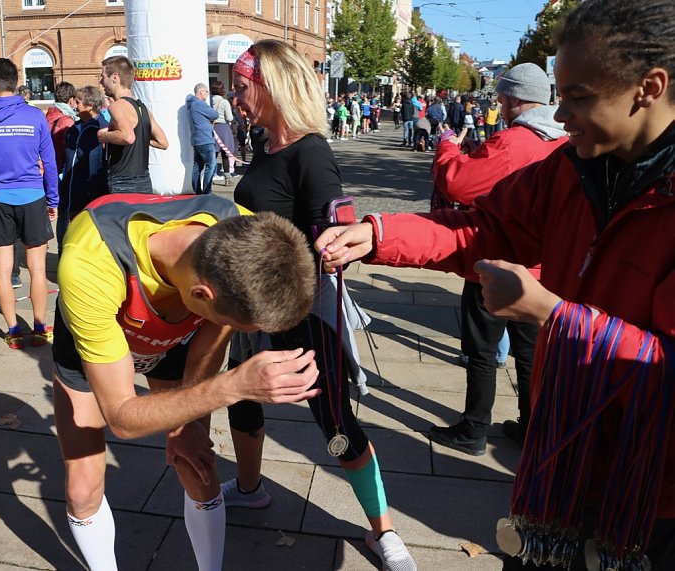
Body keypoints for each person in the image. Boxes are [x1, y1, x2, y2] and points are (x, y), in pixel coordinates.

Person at [316, 1, 675, 567]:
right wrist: (379, 233)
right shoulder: (570, 168)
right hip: (560, 457)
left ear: (648, 88)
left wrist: (554, 317)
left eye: (578, 97)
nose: (561, 118)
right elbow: (488, 226)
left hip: (650, 495)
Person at [53, 191, 320, 571]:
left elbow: (207, 345)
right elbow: (123, 417)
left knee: (197, 467)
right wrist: (234, 385)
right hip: (102, 335)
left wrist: (187, 423)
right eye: (236, 326)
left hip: (177, 335)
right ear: (201, 293)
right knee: (82, 489)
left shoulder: (243, 231)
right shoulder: (89, 262)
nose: (236, 333)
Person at [228, 41, 417, 571]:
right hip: (250, 307)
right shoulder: (265, 146)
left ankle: (384, 530)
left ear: (271, 86)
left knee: (333, 425)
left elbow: (334, 228)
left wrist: (332, 240)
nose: (235, 98)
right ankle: (248, 487)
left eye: (242, 88)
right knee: (240, 402)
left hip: (304, 315)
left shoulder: (310, 151)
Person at [428, 62, 567, 455]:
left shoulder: (514, 141)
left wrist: (448, 146)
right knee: (529, 355)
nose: (499, 103)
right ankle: (531, 426)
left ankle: (473, 430)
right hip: (540, 273)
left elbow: (458, 182)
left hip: (494, 263)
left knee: (482, 352)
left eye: (503, 97)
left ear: (514, 98)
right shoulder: (562, 141)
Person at [0, 57, 58, 349]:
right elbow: (49, 159)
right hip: (32, 195)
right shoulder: (34, 116)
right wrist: (53, 199)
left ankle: (12, 329)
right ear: (15, 80)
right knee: (36, 268)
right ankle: (40, 326)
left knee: (2, 268)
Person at [97, 55, 168, 193]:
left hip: (122, 183)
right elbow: (163, 142)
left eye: (102, 76)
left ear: (114, 78)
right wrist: (139, 136)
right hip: (144, 182)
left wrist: (104, 135)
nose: (101, 82)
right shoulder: (143, 108)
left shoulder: (117, 106)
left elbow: (128, 137)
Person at [57, 85, 108, 250]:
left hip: (91, 191)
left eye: (78, 102)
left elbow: (101, 161)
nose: (74, 105)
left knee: (89, 232)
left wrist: (94, 187)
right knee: (72, 230)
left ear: (90, 105)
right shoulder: (74, 128)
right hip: (71, 188)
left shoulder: (103, 128)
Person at [186, 82, 218, 194]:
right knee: (211, 165)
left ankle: (197, 191)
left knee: (197, 167)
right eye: (206, 92)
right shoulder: (200, 104)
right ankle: (206, 191)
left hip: (196, 139)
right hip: (205, 138)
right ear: (201, 92)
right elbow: (215, 114)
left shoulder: (190, 105)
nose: (207, 94)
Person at [45, 81, 77, 172]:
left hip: (48, 167)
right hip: (60, 168)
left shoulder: (48, 116)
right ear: (71, 100)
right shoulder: (67, 121)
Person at [210, 80, 238, 186]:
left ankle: (211, 176)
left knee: (213, 154)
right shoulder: (224, 102)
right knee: (225, 154)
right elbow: (229, 118)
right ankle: (227, 177)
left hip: (212, 128)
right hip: (223, 128)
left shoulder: (209, 101)